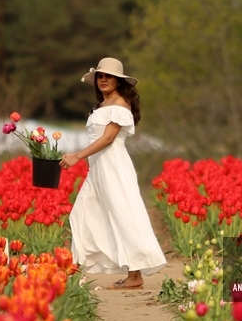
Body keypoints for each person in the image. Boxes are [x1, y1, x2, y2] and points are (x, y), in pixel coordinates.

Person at [60, 58, 166, 289]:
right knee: (82, 213)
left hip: (113, 166)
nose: (104, 79)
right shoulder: (102, 105)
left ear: (119, 81)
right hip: (98, 168)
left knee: (123, 215)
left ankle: (135, 274)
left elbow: (107, 139)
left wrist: (77, 156)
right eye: (100, 76)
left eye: (109, 76)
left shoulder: (119, 104)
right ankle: (78, 267)